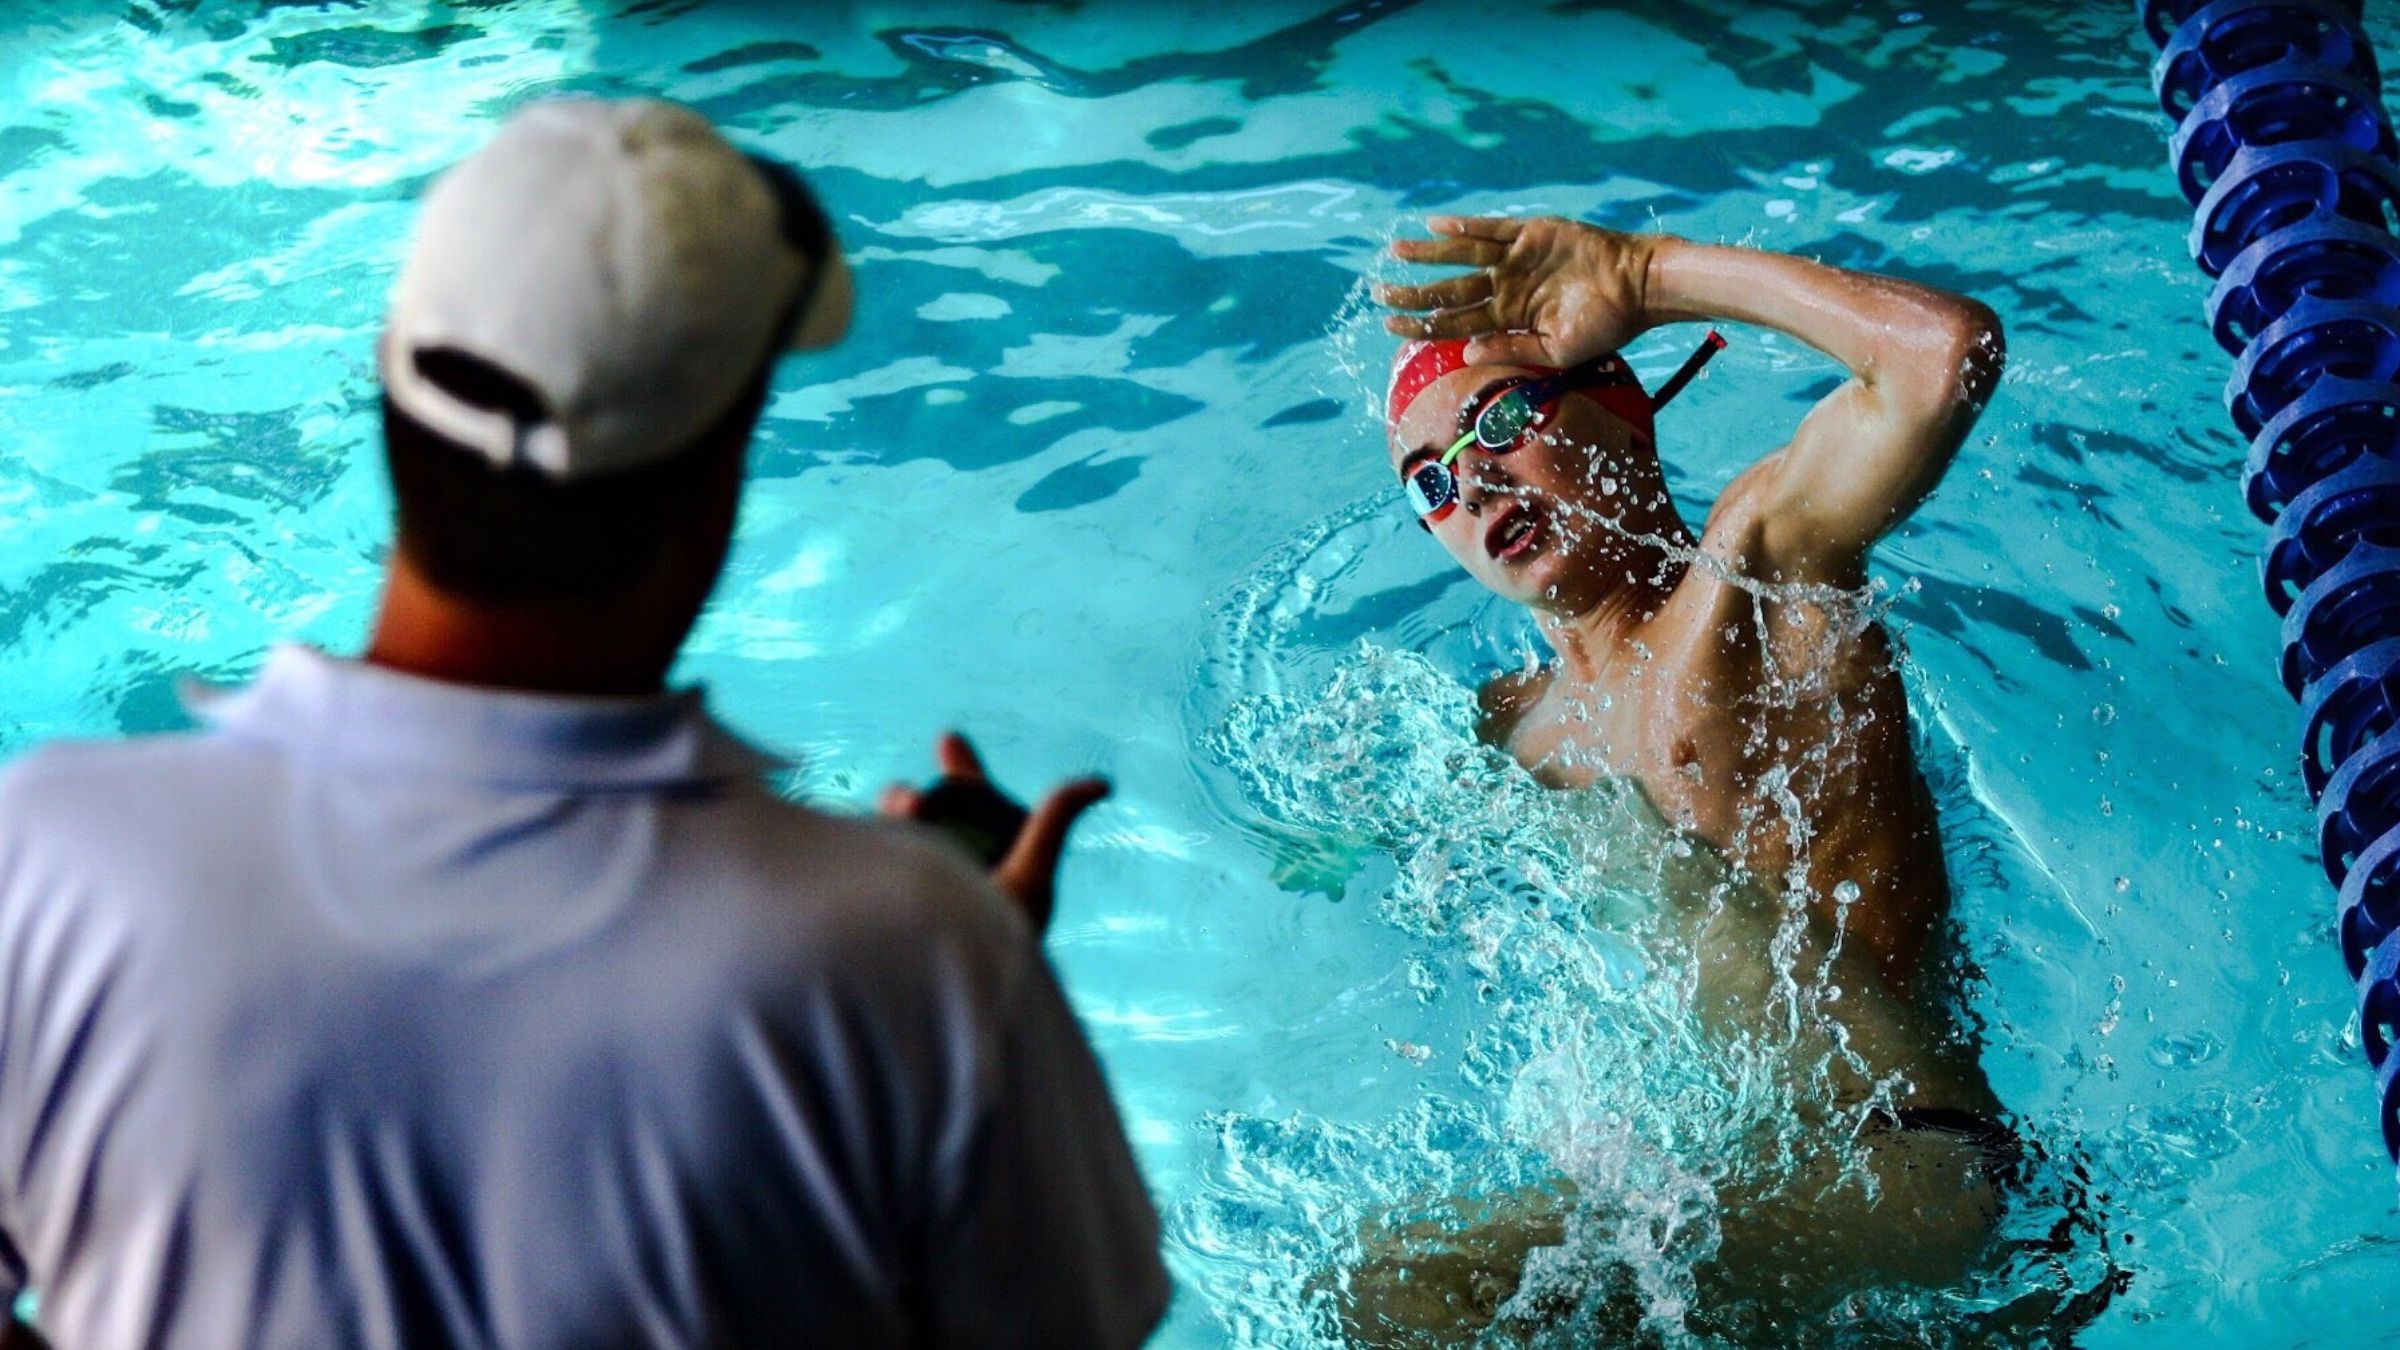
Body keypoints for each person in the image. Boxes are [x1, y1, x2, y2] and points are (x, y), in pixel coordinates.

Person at [0, 98, 1166, 1349]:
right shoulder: (904, 962)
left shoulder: (49, 863)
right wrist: (978, 986)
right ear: (717, 481)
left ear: (388, 383)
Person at [1344, 215, 2011, 1340]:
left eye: (1501, 421)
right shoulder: (1509, 724)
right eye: (1430, 481)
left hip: (1904, 1163)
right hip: (1736, 1189)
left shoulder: (1758, 575)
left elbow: (1944, 359)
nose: (1475, 483)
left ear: (1625, 410)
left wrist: (1647, 278)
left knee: (1413, 1290)